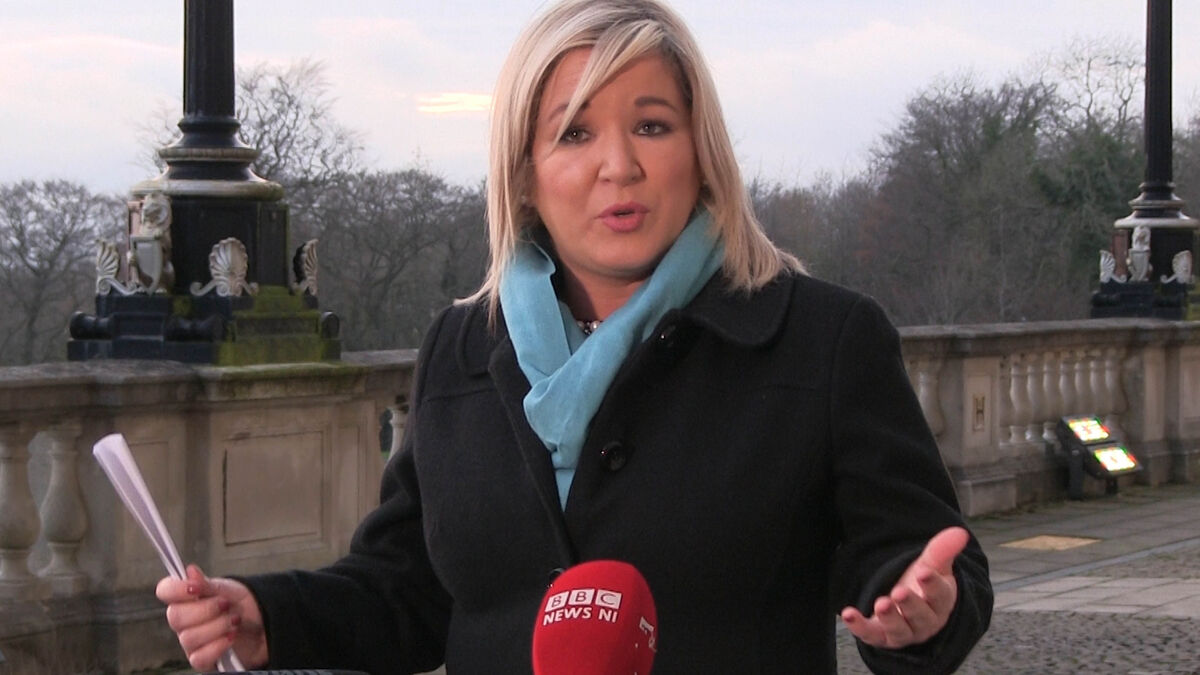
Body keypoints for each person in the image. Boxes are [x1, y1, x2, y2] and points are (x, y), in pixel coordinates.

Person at [156, 0, 993, 672]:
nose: (617, 166)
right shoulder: (462, 346)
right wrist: (270, 616)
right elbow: (408, 590)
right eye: (574, 133)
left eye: (652, 125)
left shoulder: (823, 340)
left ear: (703, 152)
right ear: (524, 171)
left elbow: (912, 558)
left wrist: (924, 608)